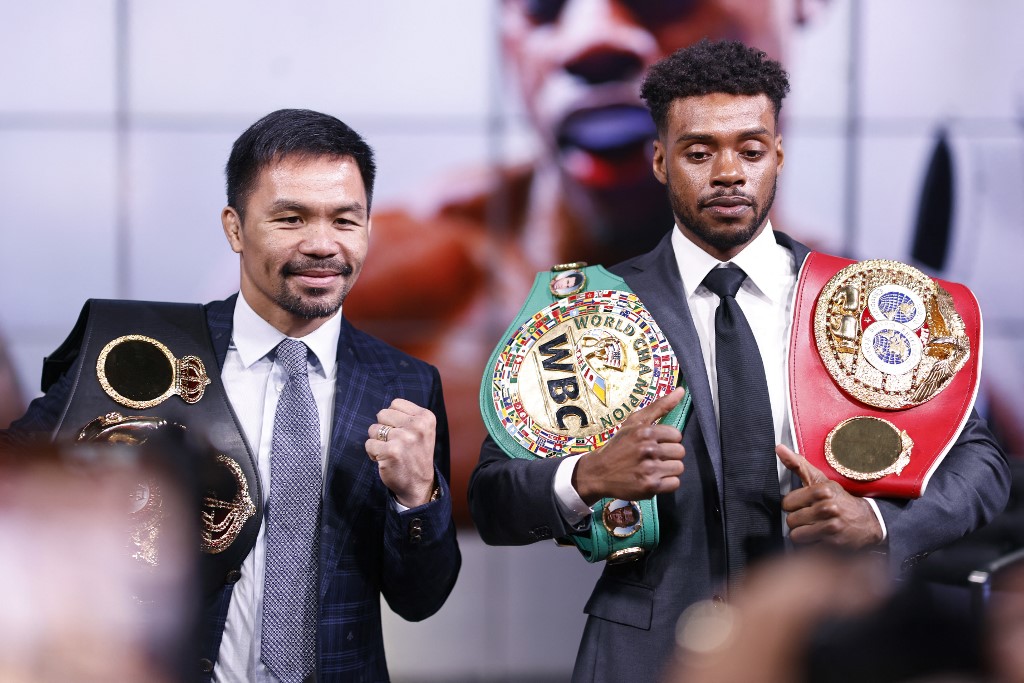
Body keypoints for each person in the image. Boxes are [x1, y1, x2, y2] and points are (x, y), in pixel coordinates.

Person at [468, 40, 1009, 682]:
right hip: (646, 653)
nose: (728, 172)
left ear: (777, 155)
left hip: (843, 644)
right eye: (699, 152)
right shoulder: (587, 312)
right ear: (661, 161)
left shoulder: (863, 303)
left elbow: (982, 464)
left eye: (750, 150)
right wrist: (585, 475)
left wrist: (880, 523)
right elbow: (493, 499)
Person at [4, 109, 461, 683]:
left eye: (346, 221)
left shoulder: (406, 384)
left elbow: (421, 599)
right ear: (235, 228)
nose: (323, 245)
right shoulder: (140, 353)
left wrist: (418, 499)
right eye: (291, 219)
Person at [344, 0, 819, 522]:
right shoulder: (377, 290)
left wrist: (880, 527)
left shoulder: (870, 318)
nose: (590, 41)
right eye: (542, 6)